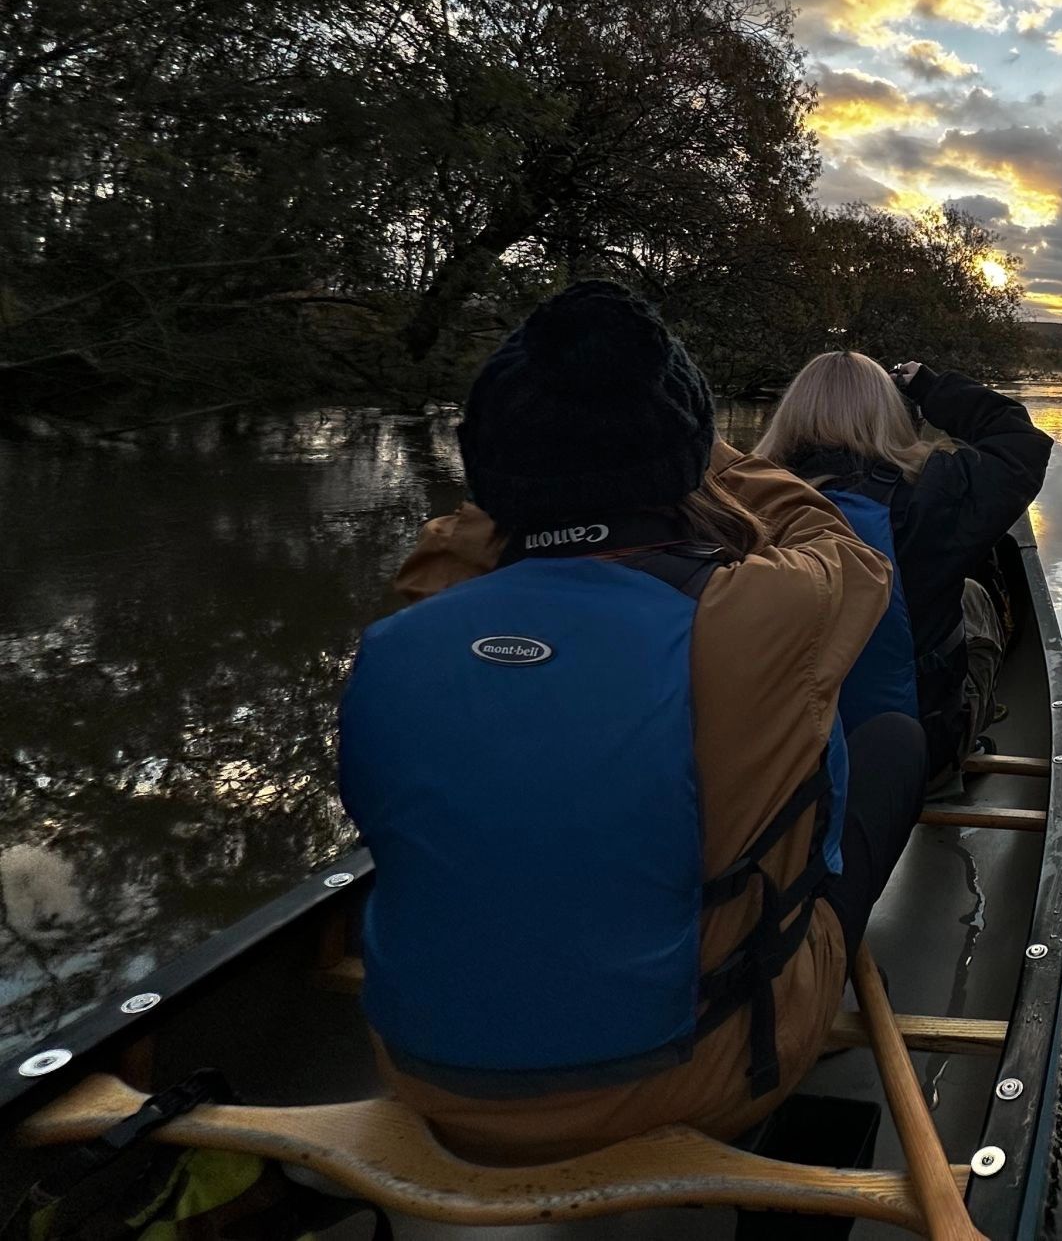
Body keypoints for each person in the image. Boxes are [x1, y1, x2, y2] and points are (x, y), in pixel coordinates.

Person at [338, 282, 927, 1162]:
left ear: (495, 468)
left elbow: (463, 533)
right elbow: (837, 540)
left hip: (424, 1076)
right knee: (892, 743)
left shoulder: (410, 616)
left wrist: (570, 465)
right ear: (683, 455)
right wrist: (698, 450)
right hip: (697, 1079)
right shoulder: (760, 613)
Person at [754, 352, 1052, 781]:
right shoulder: (934, 493)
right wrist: (930, 387)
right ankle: (957, 758)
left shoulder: (744, 500)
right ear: (889, 413)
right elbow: (1021, 441)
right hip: (913, 756)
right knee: (974, 598)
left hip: (780, 758)